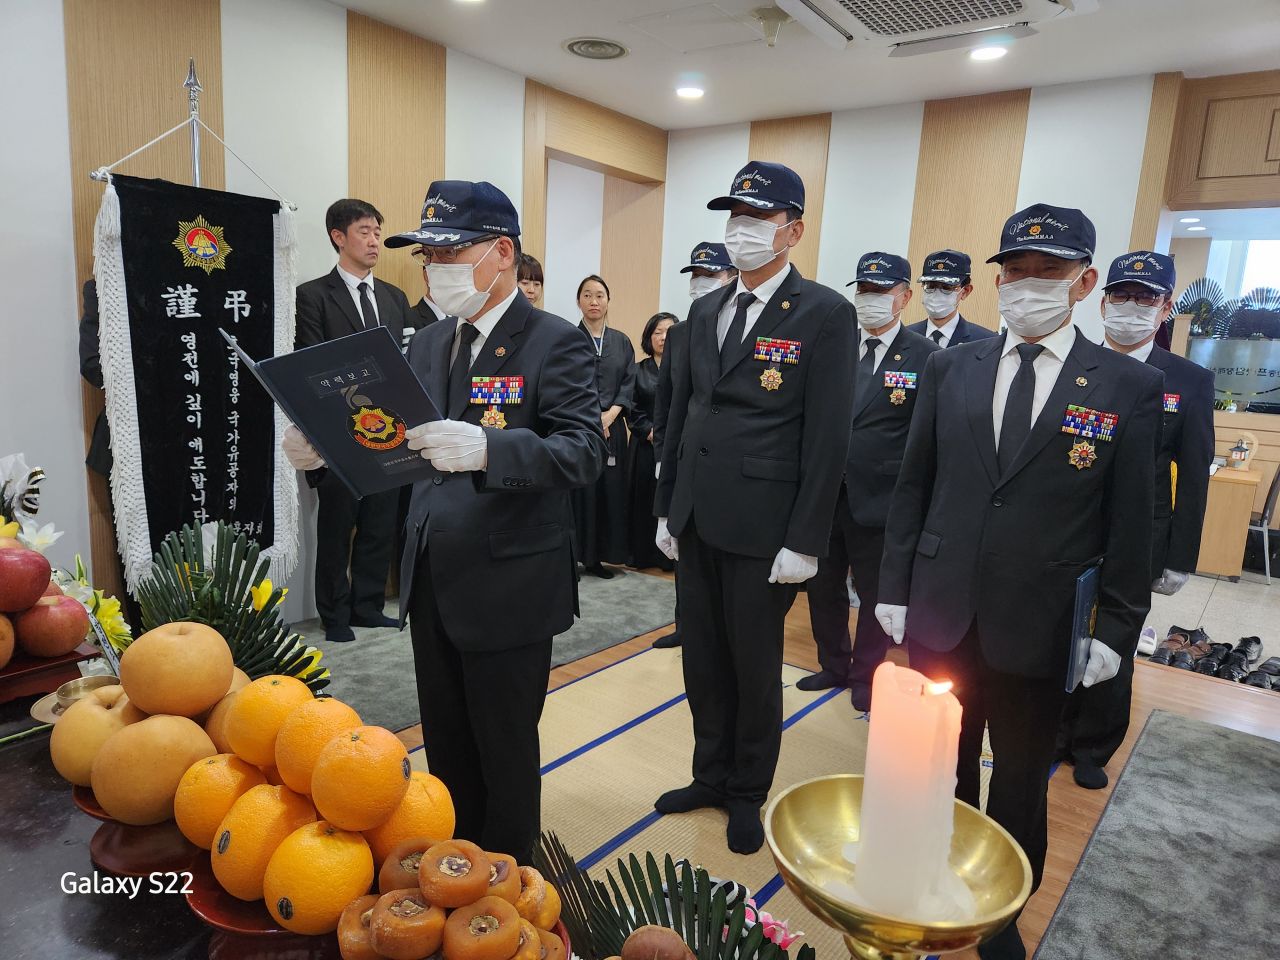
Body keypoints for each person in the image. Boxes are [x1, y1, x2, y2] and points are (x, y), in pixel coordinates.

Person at [284, 181, 604, 863]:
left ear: (501, 253)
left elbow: (583, 451)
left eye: (450, 252)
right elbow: (394, 440)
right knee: (448, 744)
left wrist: (490, 448)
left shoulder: (555, 341)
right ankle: (455, 870)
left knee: (504, 751)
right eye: (427, 254)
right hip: (432, 573)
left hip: (510, 583)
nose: (434, 267)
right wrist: (327, 449)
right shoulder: (429, 341)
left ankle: (507, 881)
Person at [875, 204, 1163, 960]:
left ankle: (1001, 912)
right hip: (942, 606)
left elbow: (1133, 523)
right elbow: (915, 483)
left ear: (1085, 282)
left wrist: (1116, 630)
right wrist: (894, 586)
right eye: (1017, 271)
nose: (1029, 284)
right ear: (998, 280)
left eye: (1050, 271)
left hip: (1041, 620)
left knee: (1021, 779)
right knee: (935, 764)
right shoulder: (951, 366)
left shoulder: (1126, 385)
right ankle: (930, 878)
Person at [653, 161, 856, 854]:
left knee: (751, 665)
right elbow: (683, 413)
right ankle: (708, 774)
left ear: (791, 231)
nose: (740, 230)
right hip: (696, 515)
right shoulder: (704, 309)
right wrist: (666, 505)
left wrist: (807, 538)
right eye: (734, 217)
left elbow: (828, 436)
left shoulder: (825, 313)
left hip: (765, 527)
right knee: (703, 660)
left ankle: (747, 790)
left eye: (757, 218)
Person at [1058, 251, 1214, 789]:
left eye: (1146, 298)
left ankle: (1093, 744)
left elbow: (1193, 477)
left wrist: (1180, 557)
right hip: (1072, 525)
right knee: (1060, 629)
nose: (1131, 307)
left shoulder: (1188, 380)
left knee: (1115, 638)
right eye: (1122, 296)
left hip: (1142, 534)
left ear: (1166, 308)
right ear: (1103, 302)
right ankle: (1054, 729)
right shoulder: (1075, 363)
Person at [801, 253, 939, 710]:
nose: (869, 298)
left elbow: (925, 435)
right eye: (863, 290)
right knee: (822, 586)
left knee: (876, 593)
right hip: (826, 492)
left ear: (905, 296)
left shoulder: (926, 356)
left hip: (882, 498)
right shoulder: (835, 342)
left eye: (880, 291)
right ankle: (832, 664)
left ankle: (866, 674)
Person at [295, 199, 411, 643]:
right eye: (364, 231)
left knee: (380, 523)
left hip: (390, 430)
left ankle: (368, 606)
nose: (374, 240)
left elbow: (404, 364)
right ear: (338, 237)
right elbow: (311, 366)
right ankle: (334, 614)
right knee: (337, 526)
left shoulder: (394, 298)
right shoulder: (312, 296)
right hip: (339, 433)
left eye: (377, 232)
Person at [648, 242, 739, 649]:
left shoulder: (742, 329)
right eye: (695, 276)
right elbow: (666, 402)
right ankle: (685, 625)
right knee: (683, 550)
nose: (701, 283)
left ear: (730, 277)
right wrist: (662, 458)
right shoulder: (680, 333)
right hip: (681, 456)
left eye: (710, 275)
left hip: (726, 464)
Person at [572, 275, 635, 579]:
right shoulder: (568, 339)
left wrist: (611, 414)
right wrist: (593, 418)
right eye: (587, 295)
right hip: (580, 428)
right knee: (581, 492)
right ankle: (576, 555)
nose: (594, 301)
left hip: (614, 428)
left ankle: (600, 557)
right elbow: (568, 383)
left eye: (599, 295)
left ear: (608, 301)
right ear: (579, 301)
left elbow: (629, 381)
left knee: (610, 491)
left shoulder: (621, 341)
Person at [627, 312, 679, 571]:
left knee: (669, 500)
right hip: (645, 447)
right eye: (657, 332)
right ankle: (642, 555)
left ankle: (668, 558)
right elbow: (631, 408)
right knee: (644, 500)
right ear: (649, 337)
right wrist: (651, 432)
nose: (663, 337)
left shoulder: (684, 370)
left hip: (675, 448)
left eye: (669, 332)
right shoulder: (638, 370)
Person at [906, 249, 996, 347]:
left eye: (946, 287)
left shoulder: (985, 341)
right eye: (930, 286)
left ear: (965, 291)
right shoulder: (904, 337)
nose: (936, 294)